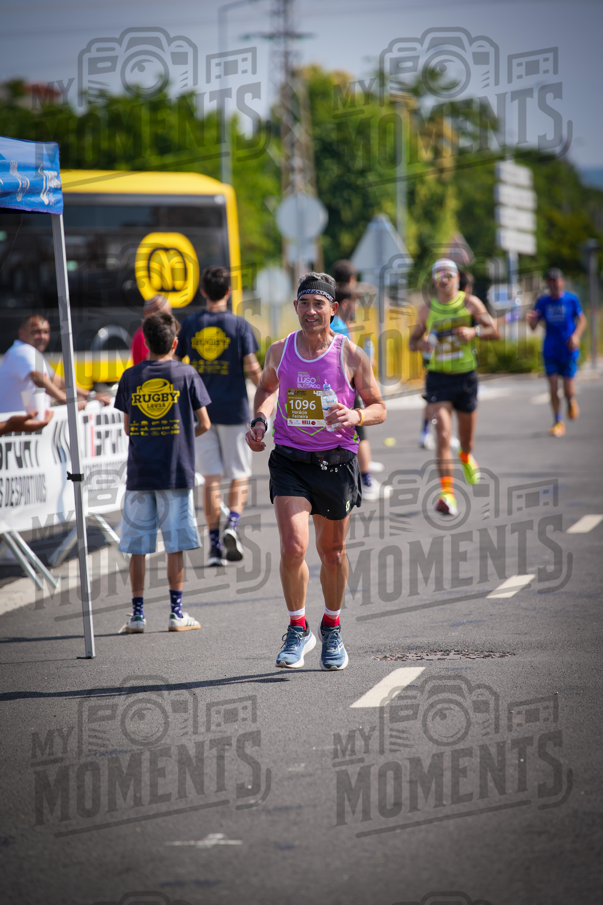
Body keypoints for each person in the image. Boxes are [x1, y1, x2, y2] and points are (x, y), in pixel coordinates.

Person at [246, 272, 386, 671]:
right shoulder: (280, 350)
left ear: (332, 309)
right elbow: (268, 389)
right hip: (290, 459)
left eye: (318, 304)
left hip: (336, 462)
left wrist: (356, 413)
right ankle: (296, 627)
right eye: (304, 303)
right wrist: (260, 421)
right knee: (293, 547)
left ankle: (332, 626)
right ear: (295, 308)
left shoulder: (351, 354)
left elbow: (379, 406)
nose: (310, 311)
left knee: (333, 552)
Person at [114, 311, 211, 634]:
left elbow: (128, 426)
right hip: (176, 470)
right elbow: (205, 423)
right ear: (175, 342)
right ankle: (176, 612)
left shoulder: (130, 377)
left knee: (138, 547)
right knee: (175, 544)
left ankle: (138, 615)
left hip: (140, 471)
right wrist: (182, 435)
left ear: (145, 342)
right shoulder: (186, 373)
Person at [176, 265, 262, 566]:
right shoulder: (239, 326)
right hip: (234, 409)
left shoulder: (190, 324)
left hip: (201, 413)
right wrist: (268, 397)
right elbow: (253, 369)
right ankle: (233, 525)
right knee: (239, 474)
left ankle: (213, 547)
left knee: (211, 478)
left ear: (202, 291)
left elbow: (175, 365)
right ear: (228, 292)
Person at [409, 258, 499, 517]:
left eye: (449, 274)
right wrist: (422, 344)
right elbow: (412, 342)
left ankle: (467, 455)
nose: (444, 279)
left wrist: (475, 333)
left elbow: (493, 330)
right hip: (438, 378)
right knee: (444, 435)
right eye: (439, 275)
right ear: (435, 280)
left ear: (457, 278)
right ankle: (447, 493)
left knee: (466, 440)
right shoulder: (427, 310)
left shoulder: (470, 303)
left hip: (466, 378)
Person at [331, 259, 387, 501]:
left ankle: (359, 477)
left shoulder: (332, 321)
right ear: (343, 303)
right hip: (347, 388)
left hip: (336, 387)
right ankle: (367, 481)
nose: (355, 307)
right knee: (359, 433)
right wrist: (365, 366)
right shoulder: (339, 325)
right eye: (353, 303)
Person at [526, 267, 587, 437]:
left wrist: (576, 336)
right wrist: (530, 321)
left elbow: (582, 320)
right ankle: (558, 421)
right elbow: (533, 326)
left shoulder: (571, 299)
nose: (553, 283)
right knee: (553, 387)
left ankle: (570, 400)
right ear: (547, 283)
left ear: (562, 281)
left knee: (568, 389)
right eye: (550, 280)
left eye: (556, 280)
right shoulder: (543, 302)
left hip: (568, 349)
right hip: (550, 350)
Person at [0, 314, 91, 414]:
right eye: (36, 331)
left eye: (46, 332)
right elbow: (38, 378)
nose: (42, 336)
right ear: (22, 332)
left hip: (21, 425)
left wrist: (88, 395)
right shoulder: (22, 351)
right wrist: (68, 400)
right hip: (16, 426)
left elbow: (55, 380)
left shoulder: (29, 352)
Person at [130, 294, 172, 366]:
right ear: (146, 312)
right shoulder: (143, 335)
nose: (163, 317)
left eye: (167, 312)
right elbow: (155, 360)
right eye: (159, 311)